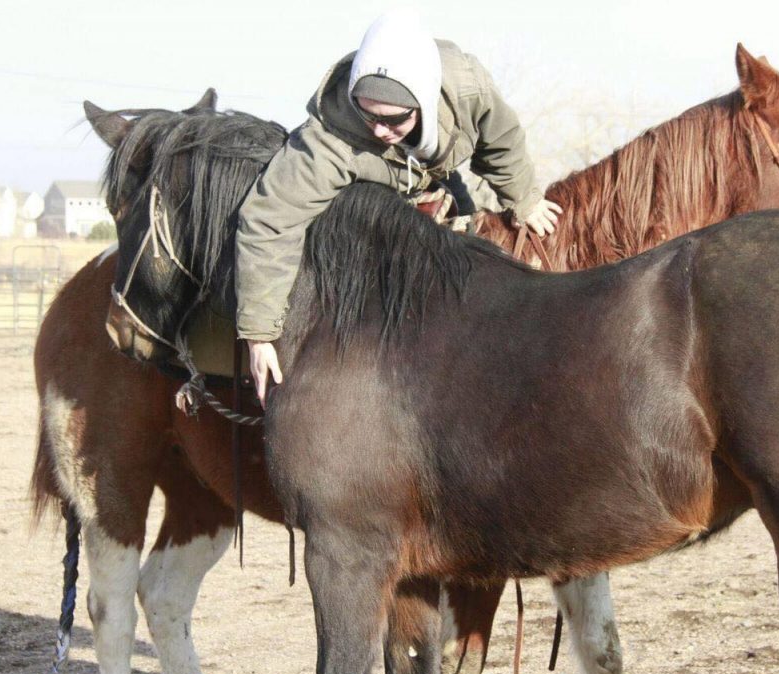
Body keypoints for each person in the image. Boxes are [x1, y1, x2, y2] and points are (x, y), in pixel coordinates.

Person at [236, 9, 562, 405]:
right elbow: (270, 219)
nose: (377, 130)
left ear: (423, 101)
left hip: (431, 174)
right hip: (365, 206)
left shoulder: (466, 85)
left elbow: (501, 138)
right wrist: (259, 333)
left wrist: (523, 198)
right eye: (367, 114)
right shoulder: (328, 141)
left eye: (392, 119)